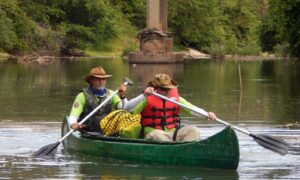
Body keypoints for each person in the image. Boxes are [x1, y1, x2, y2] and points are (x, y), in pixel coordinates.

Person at [124, 73, 217, 141]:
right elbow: (127, 109)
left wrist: (207, 114)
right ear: (156, 88)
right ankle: (174, 150)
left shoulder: (176, 99)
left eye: (169, 89)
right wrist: (143, 96)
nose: (167, 92)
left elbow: (191, 109)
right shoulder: (146, 98)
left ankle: (185, 151)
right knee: (158, 136)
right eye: (164, 89)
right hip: (154, 133)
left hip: (173, 133)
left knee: (194, 131)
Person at [68, 66, 128, 132]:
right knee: (97, 120)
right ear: (91, 80)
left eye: (103, 79)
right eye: (98, 79)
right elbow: (73, 115)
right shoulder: (82, 96)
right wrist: (73, 124)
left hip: (107, 128)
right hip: (87, 129)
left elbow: (124, 108)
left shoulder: (112, 94)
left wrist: (122, 96)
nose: (101, 81)